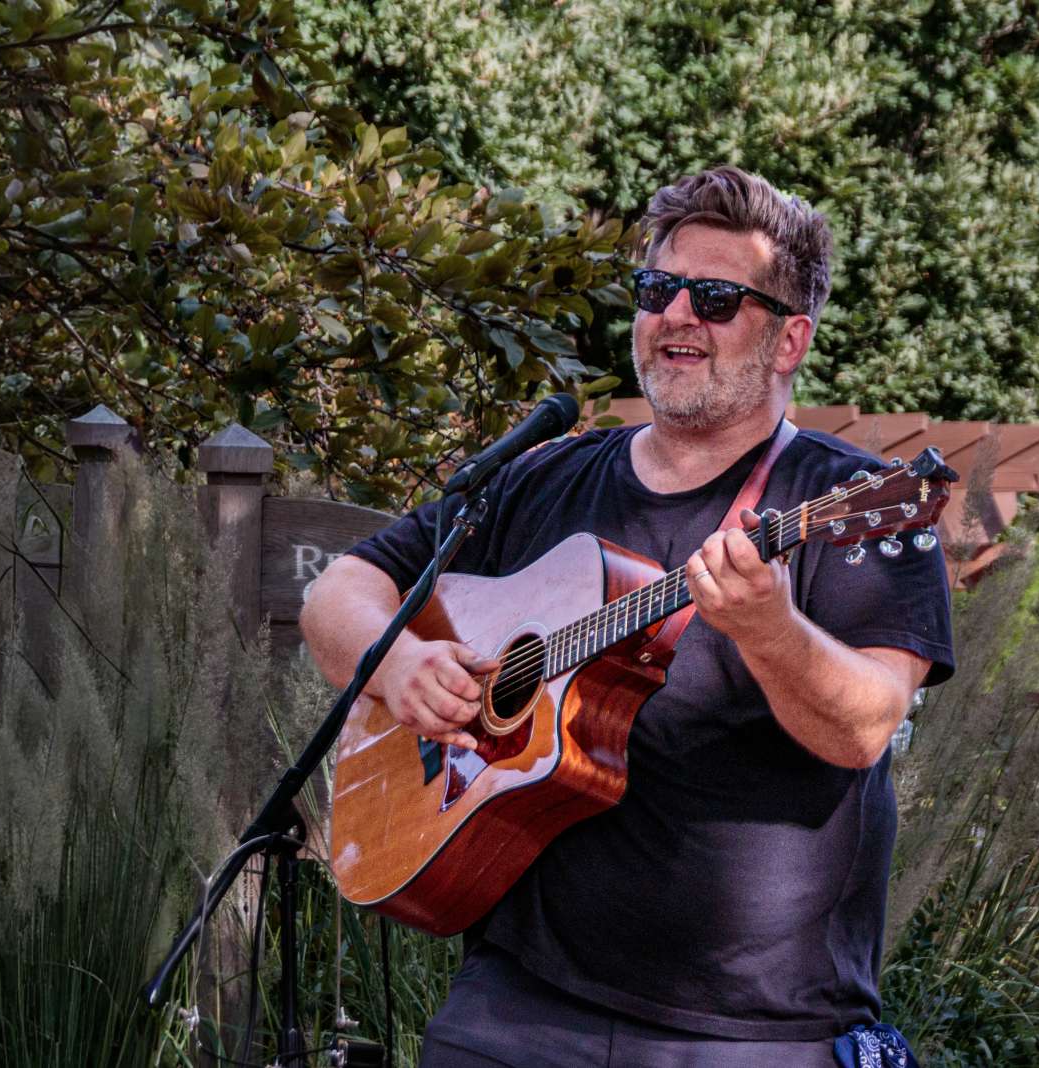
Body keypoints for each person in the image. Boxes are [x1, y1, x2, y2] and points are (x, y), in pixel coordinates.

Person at [300, 166, 954, 1067]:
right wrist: (401, 669)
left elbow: (865, 726)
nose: (678, 313)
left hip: (751, 1035)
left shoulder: (847, 502)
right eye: (658, 289)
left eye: (718, 298)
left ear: (789, 339)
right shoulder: (543, 475)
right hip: (513, 1007)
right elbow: (339, 591)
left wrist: (769, 628)